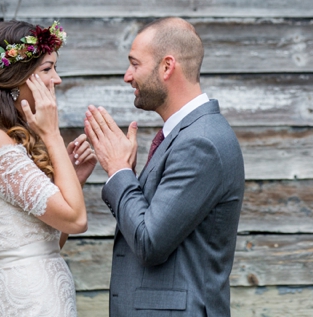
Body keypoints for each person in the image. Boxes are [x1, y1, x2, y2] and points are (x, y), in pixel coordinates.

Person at [84, 17, 245, 317]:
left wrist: (119, 171)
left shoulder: (201, 142)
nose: (127, 76)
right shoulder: (187, 135)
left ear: (167, 67)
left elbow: (150, 241)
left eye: (135, 64)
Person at [0, 20, 97, 316]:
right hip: (27, 298)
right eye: (47, 69)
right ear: (17, 77)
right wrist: (52, 135)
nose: (58, 79)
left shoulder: (9, 140)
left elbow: (54, 236)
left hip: (47, 289)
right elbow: (78, 221)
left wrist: (72, 181)